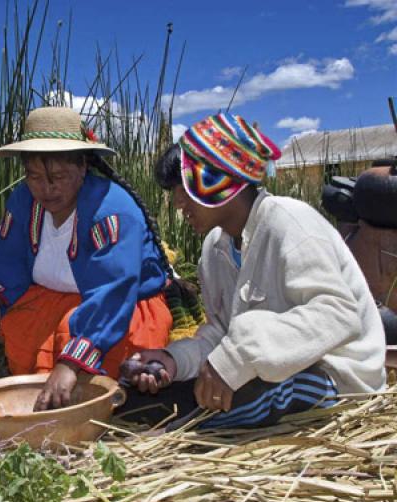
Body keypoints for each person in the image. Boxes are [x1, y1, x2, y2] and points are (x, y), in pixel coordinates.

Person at [120, 113, 386, 430]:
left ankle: (182, 435)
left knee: (260, 399)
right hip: (264, 373)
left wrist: (237, 357)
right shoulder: (214, 250)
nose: (177, 202)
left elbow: (338, 315)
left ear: (219, 177)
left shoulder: (289, 221)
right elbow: (221, 333)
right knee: (137, 402)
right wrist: (172, 360)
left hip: (336, 375)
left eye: (183, 186)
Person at [0, 106, 173, 411]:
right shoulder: (24, 199)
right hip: (44, 305)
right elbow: (5, 253)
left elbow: (113, 291)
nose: (45, 188)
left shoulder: (112, 210)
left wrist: (71, 364)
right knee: (15, 325)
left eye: (58, 176)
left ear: (82, 167)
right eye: (34, 176)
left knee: (92, 356)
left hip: (115, 313)